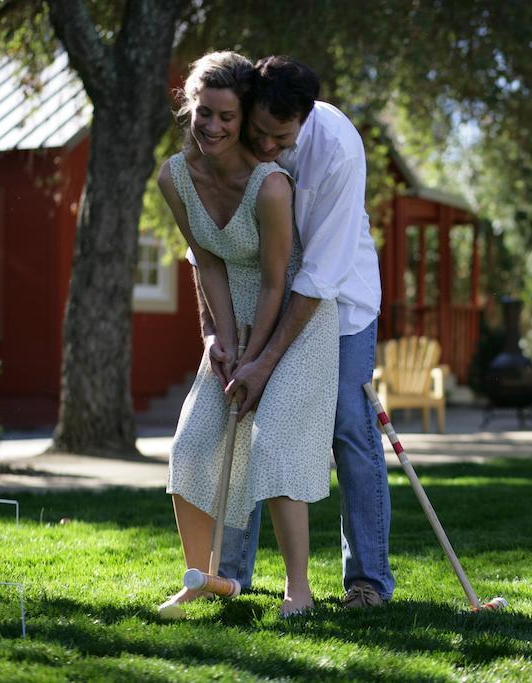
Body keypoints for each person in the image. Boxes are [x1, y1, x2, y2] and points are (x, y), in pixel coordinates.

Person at [193, 55, 395, 608]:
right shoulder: (234, 131)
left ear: (304, 120)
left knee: (350, 428)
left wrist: (266, 361)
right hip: (256, 297)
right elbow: (206, 244)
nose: (264, 148)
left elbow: (320, 274)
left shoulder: (338, 148)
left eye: (279, 139)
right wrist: (215, 331)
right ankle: (231, 576)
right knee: (244, 417)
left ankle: (368, 581)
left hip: (339, 301)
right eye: (257, 133)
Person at [157, 51, 340, 619]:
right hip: (231, 321)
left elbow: (275, 279)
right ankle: (203, 577)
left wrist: (256, 359)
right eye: (203, 113)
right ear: (190, 106)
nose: (211, 127)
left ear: (243, 121)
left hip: (292, 322)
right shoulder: (174, 177)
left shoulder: (271, 186)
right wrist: (218, 339)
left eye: (226, 119)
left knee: (275, 441)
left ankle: (298, 590)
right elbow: (206, 262)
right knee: (191, 442)